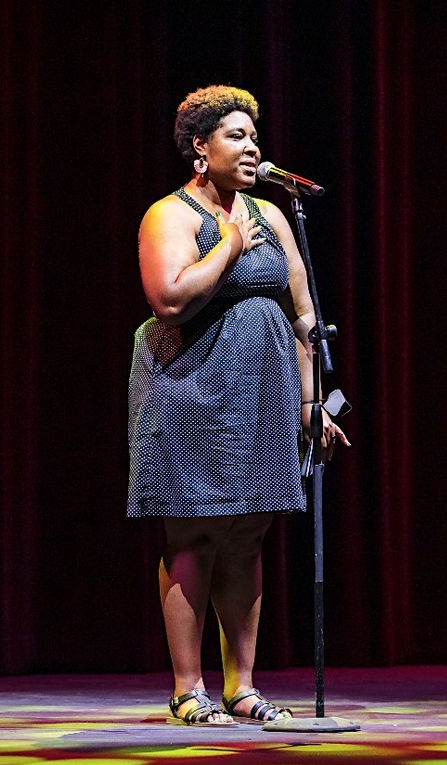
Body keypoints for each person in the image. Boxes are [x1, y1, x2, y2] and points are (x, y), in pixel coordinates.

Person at [127, 86, 349, 725]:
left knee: (248, 535)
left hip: (261, 392)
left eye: (254, 136)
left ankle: (242, 688)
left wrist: (311, 401)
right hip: (188, 390)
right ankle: (187, 690)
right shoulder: (170, 216)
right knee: (195, 532)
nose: (252, 147)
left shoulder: (272, 214)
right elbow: (169, 299)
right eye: (236, 136)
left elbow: (303, 315)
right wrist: (226, 245)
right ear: (200, 148)